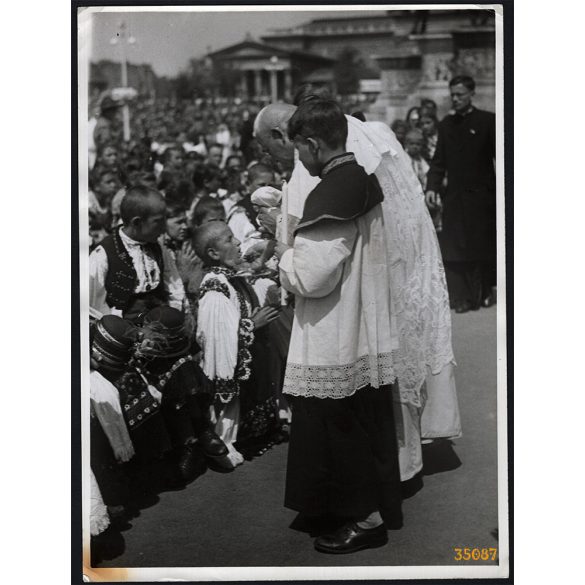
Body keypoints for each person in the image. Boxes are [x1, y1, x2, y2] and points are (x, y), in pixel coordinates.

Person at [255, 101, 461, 486]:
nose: (289, 158)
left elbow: (314, 265)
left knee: (345, 406)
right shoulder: (362, 166)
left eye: (279, 149)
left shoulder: (323, 181)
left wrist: (282, 243)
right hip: (377, 287)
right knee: (379, 393)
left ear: (301, 141)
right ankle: (397, 471)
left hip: (340, 305)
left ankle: (365, 502)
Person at [271, 99, 403, 554]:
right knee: (357, 420)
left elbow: (311, 276)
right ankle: (354, 506)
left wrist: (282, 258)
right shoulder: (359, 178)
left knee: (338, 425)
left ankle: (365, 519)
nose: (299, 159)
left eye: (299, 149)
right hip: (358, 322)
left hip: (336, 329)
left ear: (311, 143)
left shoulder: (330, 191)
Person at [192, 221, 280, 467]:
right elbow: (217, 340)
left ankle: (249, 432)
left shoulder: (231, 277)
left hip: (253, 361)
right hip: (231, 364)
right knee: (230, 394)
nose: (239, 242)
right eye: (230, 239)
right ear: (213, 253)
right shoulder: (214, 287)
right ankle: (224, 438)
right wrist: (253, 324)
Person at [425, 75, 496, 312]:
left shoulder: (487, 121)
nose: (455, 99)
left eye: (460, 95)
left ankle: (484, 291)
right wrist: (432, 187)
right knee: (455, 248)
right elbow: (438, 162)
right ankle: (461, 298)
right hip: (455, 198)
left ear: (471, 93)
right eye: (452, 95)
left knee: (481, 246)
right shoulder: (446, 125)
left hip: (483, 197)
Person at [89, 185, 186, 324]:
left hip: (159, 329)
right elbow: (94, 308)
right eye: (158, 221)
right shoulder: (103, 255)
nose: (164, 227)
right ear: (137, 222)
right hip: (123, 333)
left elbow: (174, 288)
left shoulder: (158, 248)